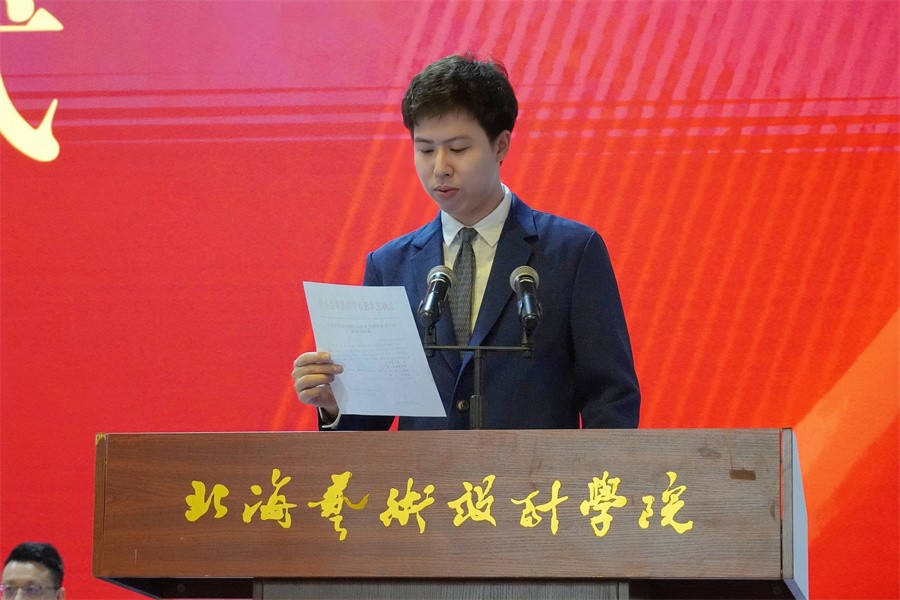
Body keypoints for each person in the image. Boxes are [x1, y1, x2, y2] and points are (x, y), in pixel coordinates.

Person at [293, 53, 640, 430]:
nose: (440, 167)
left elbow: (610, 398)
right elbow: (372, 418)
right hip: (424, 470)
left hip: (534, 469)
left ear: (501, 145)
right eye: (425, 149)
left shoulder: (571, 252)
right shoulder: (390, 265)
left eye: (458, 149)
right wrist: (335, 405)